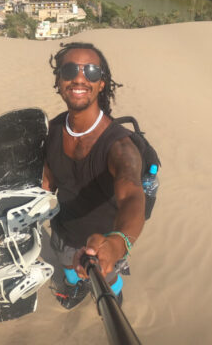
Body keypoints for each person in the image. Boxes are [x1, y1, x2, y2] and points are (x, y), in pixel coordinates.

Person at [42, 42, 145, 309]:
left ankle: (114, 295)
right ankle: (75, 289)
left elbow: (133, 195)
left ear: (102, 83)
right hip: (63, 230)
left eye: (91, 71)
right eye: (69, 70)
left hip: (101, 245)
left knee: (108, 281)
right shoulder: (53, 129)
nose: (79, 77)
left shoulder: (120, 146)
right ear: (59, 80)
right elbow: (49, 181)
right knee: (67, 266)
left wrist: (116, 244)